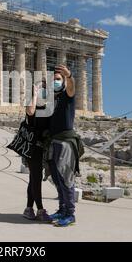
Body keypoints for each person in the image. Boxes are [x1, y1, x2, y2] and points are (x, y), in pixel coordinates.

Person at [43, 64, 81, 227]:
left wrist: (69, 75)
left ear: (64, 81)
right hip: (53, 142)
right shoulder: (52, 99)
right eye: (53, 80)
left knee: (66, 179)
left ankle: (70, 214)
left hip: (65, 143)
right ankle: (61, 209)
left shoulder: (67, 95)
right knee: (57, 179)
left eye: (58, 80)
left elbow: (72, 87)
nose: (55, 82)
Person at [23, 79, 52, 222]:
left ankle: (28, 208)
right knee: (36, 177)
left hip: (44, 147)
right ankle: (40, 209)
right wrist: (33, 94)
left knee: (34, 177)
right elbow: (30, 111)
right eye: (41, 89)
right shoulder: (33, 104)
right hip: (33, 146)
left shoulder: (49, 107)